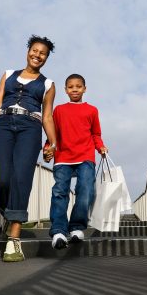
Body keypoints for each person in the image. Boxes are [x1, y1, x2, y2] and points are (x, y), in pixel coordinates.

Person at [0, 35, 57, 262]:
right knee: (2, 178)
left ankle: (14, 239)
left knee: (22, 178)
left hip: (30, 128)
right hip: (2, 125)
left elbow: (48, 117)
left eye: (43, 53)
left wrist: (52, 143)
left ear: (46, 58)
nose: (38, 55)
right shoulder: (8, 75)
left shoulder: (48, 85)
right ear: (28, 51)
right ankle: (7, 212)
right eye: (35, 50)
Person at [43, 73, 107, 249]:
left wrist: (100, 147)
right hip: (63, 156)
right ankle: (58, 231)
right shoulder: (59, 110)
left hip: (86, 155)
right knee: (59, 192)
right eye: (71, 87)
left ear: (84, 89)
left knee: (85, 190)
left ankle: (77, 227)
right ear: (65, 90)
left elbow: (95, 134)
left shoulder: (92, 110)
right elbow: (52, 132)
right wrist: (47, 149)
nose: (75, 89)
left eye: (78, 86)